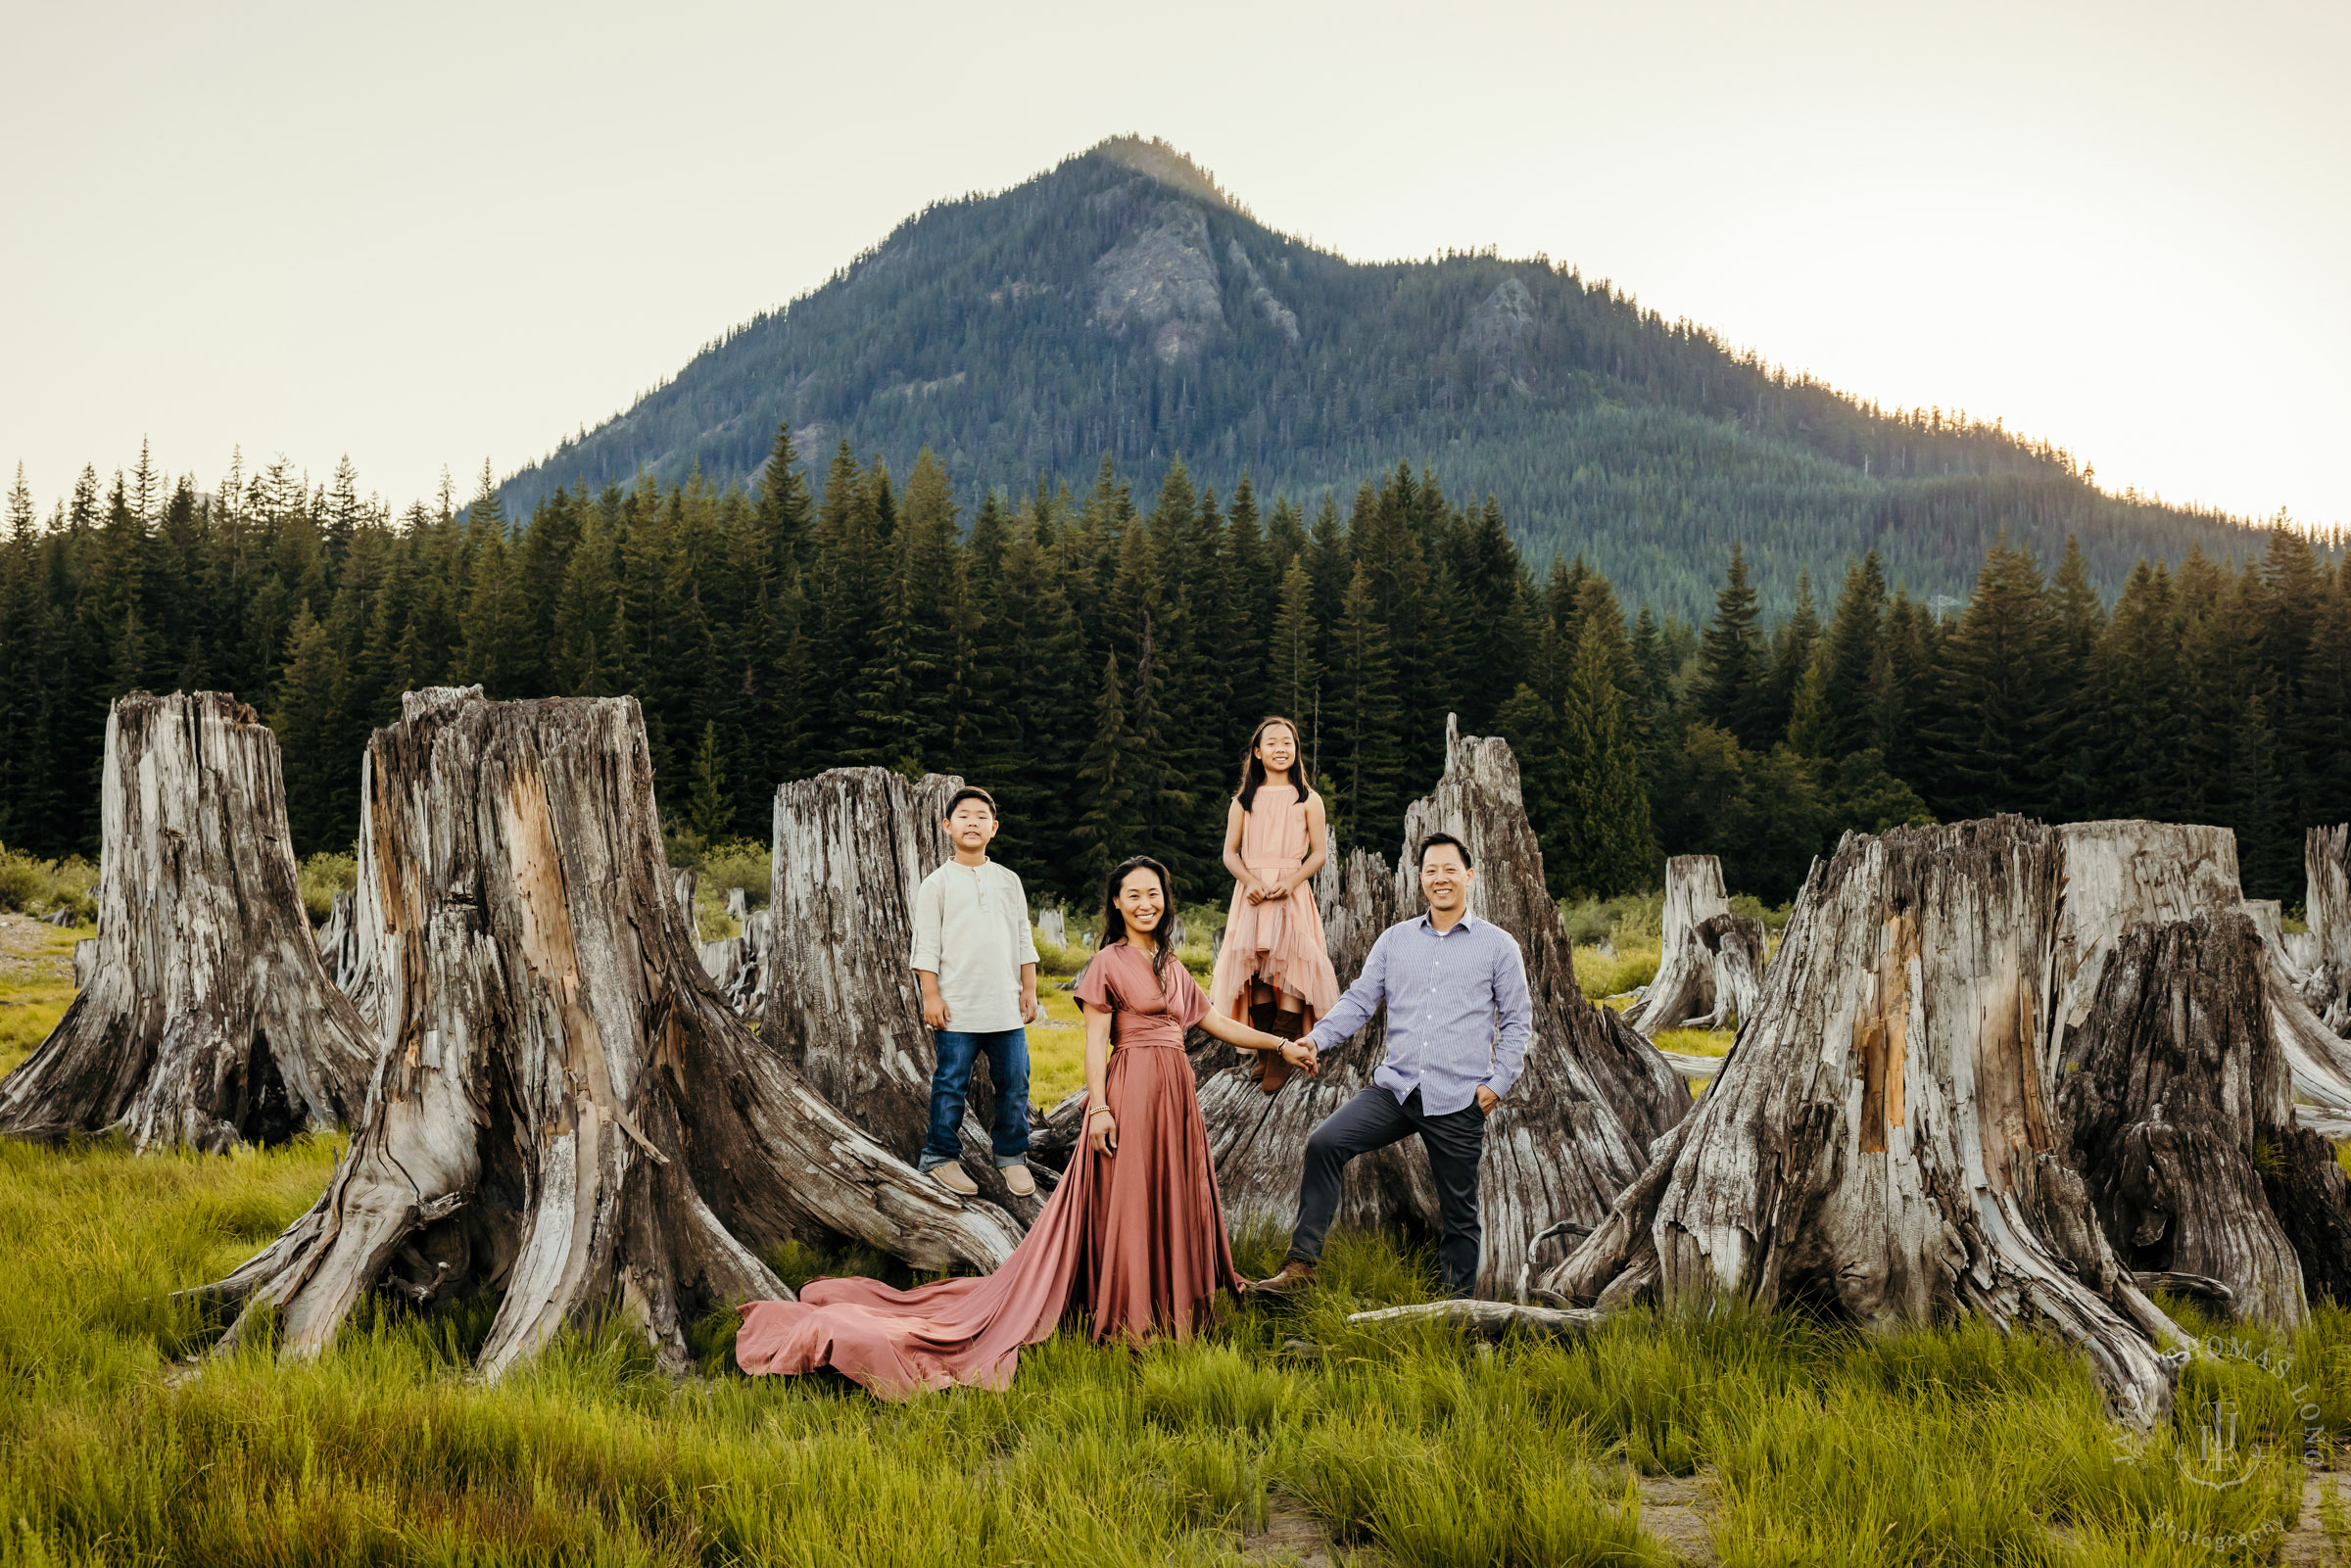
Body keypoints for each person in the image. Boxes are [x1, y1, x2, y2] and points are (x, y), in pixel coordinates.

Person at [734, 856, 1310, 1398]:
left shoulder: (1174, 966)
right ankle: (1129, 1319)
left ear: (1166, 901)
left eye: (1153, 894)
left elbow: (1216, 1024)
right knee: (1131, 1202)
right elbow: (1093, 1047)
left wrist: (1282, 1043)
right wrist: (1101, 1108)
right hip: (1131, 1090)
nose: (1144, 904)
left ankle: (1177, 1308)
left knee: (1169, 1197)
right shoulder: (1108, 962)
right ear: (1116, 902)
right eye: (1132, 895)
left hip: (1176, 1096)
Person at [1252, 832, 1531, 1299]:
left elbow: (1518, 1023)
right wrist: (1315, 1039)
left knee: (1459, 1214)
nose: (1440, 879)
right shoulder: (1395, 940)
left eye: (1449, 869)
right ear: (1419, 878)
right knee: (1325, 1143)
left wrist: (1497, 1085)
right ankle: (1302, 1266)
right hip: (1395, 1091)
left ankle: (1455, 1309)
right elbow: (1359, 1001)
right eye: (1430, 871)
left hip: (1459, 1098)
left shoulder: (1499, 946)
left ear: (1469, 876)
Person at [909, 786, 1040, 1198]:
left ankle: (1011, 1155)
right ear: (947, 826)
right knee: (951, 1082)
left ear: (994, 828)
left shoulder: (1008, 880)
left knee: (1016, 1081)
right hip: (957, 1009)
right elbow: (926, 946)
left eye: (982, 816)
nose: (972, 822)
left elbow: (1023, 938)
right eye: (963, 815)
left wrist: (1030, 990)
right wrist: (931, 996)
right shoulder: (937, 884)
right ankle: (940, 1155)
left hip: (1004, 1006)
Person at [1209, 715, 1341, 1095]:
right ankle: (1266, 1051)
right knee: (1259, 973)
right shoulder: (1243, 801)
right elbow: (1230, 854)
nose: (1280, 749)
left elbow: (1318, 854)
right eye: (1272, 743)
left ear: (1296, 750)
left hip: (1290, 890)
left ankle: (1286, 1051)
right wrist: (1249, 881)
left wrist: (1290, 882)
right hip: (1252, 896)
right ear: (1257, 751)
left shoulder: (1308, 799)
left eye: (1288, 743)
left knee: (1293, 969)